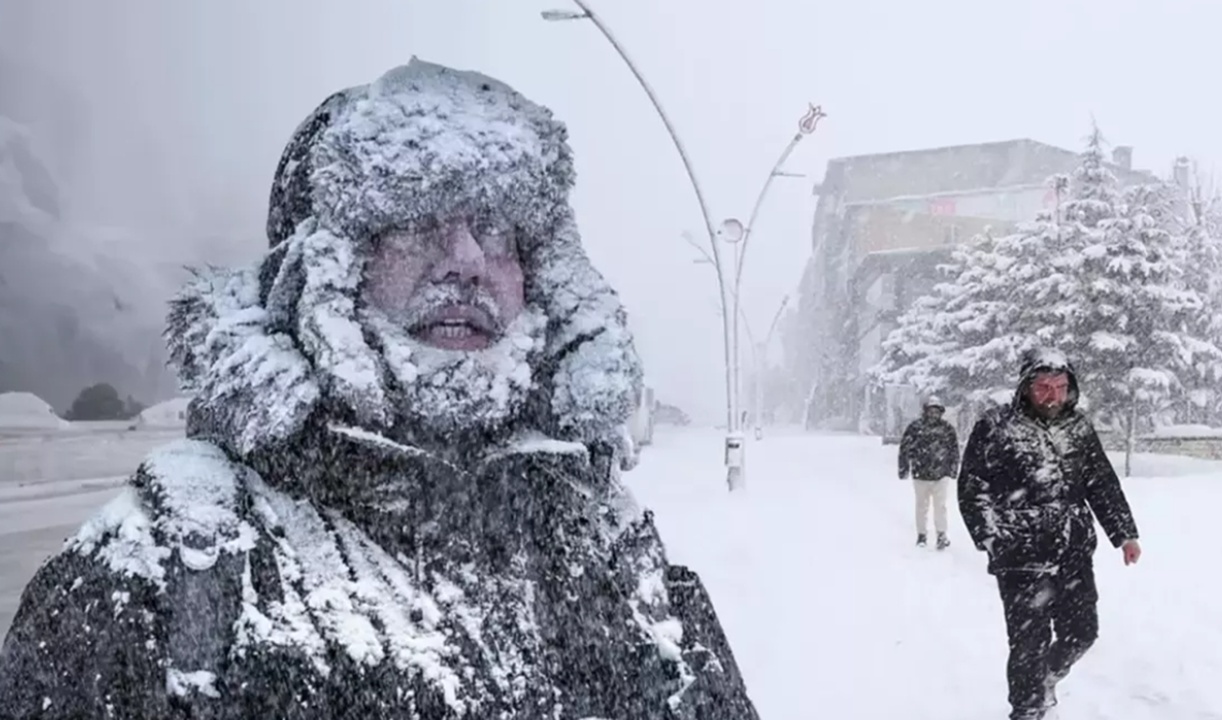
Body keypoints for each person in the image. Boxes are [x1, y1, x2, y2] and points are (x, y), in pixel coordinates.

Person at [0, 58, 760, 720]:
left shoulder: (604, 541)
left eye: (495, 226)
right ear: (321, 270)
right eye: (413, 218)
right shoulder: (166, 570)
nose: (464, 258)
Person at [957, 347, 1141, 720]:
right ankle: (1028, 710)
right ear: (1026, 387)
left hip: (1073, 549)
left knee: (1083, 632)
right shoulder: (997, 426)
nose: (1052, 395)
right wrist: (992, 537)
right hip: (1020, 554)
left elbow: (1101, 483)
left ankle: (1046, 678)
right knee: (1029, 642)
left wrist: (1124, 533)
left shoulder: (1079, 427)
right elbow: (972, 488)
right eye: (1043, 386)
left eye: (1059, 386)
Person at [897, 395, 959, 549]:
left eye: (936, 411)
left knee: (941, 506)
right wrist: (903, 468)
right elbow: (904, 449)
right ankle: (922, 535)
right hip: (921, 475)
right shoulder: (915, 427)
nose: (933, 414)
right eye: (930, 411)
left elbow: (954, 451)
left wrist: (953, 469)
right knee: (921, 506)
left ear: (941, 412)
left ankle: (941, 535)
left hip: (941, 475)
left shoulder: (947, 429)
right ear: (925, 411)